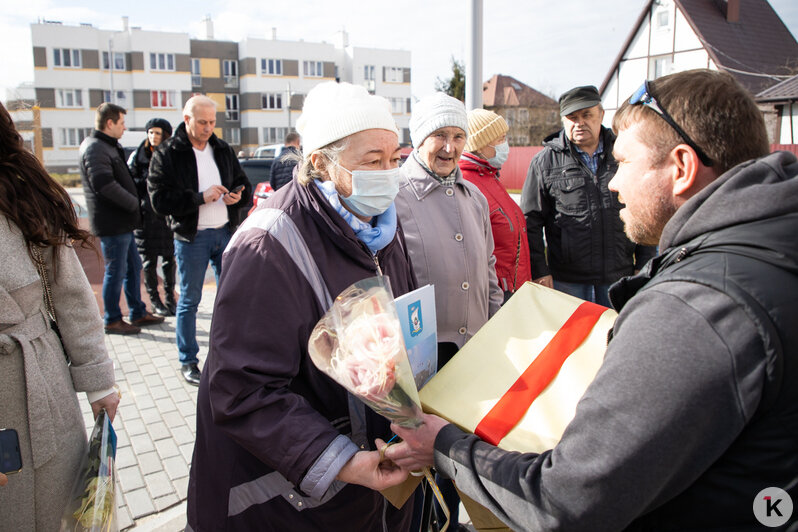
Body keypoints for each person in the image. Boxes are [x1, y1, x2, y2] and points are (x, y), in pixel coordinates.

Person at [385, 69, 798, 530]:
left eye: (622, 162)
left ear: (681, 168)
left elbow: (568, 498)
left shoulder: (695, 308)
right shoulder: (769, 247)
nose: (613, 183)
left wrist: (446, 447)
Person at [186, 81, 416, 530]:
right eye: (372, 161)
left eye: (394, 160)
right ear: (321, 163)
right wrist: (343, 462)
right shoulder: (267, 244)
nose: (389, 174)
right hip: (287, 502)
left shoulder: (381, 225)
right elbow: (242, 391)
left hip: (369, 489)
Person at [0, 101, 120, 530]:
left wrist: (98, 380)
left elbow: (70, 294)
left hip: (38, 384)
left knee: (55, 512)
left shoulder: (18, 191)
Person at [394, 92, 503, 530]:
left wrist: (495, 331)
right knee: (416, 462)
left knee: (457, 454)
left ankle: (448, 523)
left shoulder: (473, 196)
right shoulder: (396, 196)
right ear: (418, 138)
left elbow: (490, 269)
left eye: (458, 136)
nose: (450, 147)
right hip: (422, 358)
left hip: (471, 348)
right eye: (439, 135)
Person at [521, 85, 655, 306]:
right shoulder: (544, 162)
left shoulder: (624, 152)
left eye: (587, 115)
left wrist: (645, 261)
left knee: (615, 337)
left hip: (619, 276)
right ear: (563, 120)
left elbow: (645, 205)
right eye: (572, 117)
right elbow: (531, 221)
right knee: (571, 339)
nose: (579, 122)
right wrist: (539, 270)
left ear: (601, 114)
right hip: (567, 281)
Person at [148, 95, 251, 385]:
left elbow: (243, 182)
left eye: (212, 122)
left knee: (231, 299)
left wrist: (237, 195)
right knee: (189, 301)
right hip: (191, 238)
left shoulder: (221, 148)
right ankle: (188, 361)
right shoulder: (168, 153)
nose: (208, 128)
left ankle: (228, 357)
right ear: (187, 120)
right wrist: (199, 198)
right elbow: (158, 199)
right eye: (203, 122)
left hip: (224, 233)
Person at [79, 103, 165, 334]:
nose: (124, 128)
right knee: (116, 271)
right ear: (109, 123)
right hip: (112, 223)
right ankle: (112, 319)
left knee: (132, 267)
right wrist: (133, 202)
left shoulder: (107, 146)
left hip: (123, 222)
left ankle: (137, 312)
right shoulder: (95, 148)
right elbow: (103, 184)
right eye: (121, 123)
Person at [459, 109, 531, 302]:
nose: (505, 144)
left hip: (512, 286)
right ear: (482, 144)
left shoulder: (489, 175)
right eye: (501, 138)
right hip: (498, 292)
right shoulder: (468, 182)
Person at [128, 118, 176, 316]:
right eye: (150, 132)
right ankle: (154, 299)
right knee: (148, 261)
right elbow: (130, 184)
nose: (153, 136)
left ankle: (170, 297)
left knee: (169, 259)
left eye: (158, 133)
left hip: (166, 215)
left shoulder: (172, 155)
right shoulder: (137, 157)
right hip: (146, 217)